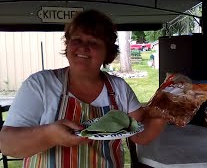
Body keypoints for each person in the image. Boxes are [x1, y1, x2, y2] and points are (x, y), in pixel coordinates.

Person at [0, 10, 167, 168]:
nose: (83, 47)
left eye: (93, 42)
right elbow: (7, 144)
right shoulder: (41, 84)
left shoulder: (118, 88)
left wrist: (165, 113)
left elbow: (139, 134)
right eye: (77, 40)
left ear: (107, 52)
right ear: (68, 46)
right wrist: (48, 135)